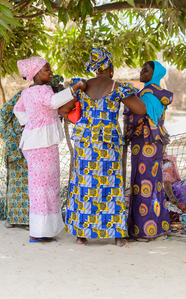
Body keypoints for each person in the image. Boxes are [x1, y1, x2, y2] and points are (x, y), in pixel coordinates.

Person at [59, 47, 147, 247]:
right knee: (111, 185)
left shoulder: (81, 86)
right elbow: (140, 109)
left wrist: (84, 123)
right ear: (110, 67)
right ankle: (117, 237)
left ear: (94, 67)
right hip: (108, 144)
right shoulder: (117, 87)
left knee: (84, 185)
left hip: (85, 143)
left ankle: (81, 236)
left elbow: (63, 109)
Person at [13, 57, 86, 243]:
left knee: (41, 186)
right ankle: (39, 232)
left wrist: (27, 124)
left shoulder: (26, 92)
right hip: (42, 144)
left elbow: (17, 110)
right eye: (47, 70)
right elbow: (54, 102)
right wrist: (75, 88)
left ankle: (42, 230)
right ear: (37, 73)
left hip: (32, 142)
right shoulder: (43, 90)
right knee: (45, 187)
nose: (50, 73)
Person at [0, 75, 64, 230]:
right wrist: (13, 136)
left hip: (36, 145)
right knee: (17, 183)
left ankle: (29, 221)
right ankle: (14, 218)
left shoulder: (46, 100)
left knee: (32, 184)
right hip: (19, 144)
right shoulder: (24, 95)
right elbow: (2, 118)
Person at [124, 60, 173, 242]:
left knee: (143, 184)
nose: (141, 72)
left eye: (146, 70)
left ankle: (145, 230)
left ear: (155, 74)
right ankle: (156, 227)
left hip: (146, 142)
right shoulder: (157, 93)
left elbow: (140, 114)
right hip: (152, 142)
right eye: (142, 69)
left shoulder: (148, 94)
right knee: (152, 183)